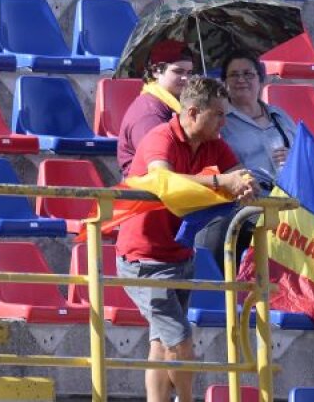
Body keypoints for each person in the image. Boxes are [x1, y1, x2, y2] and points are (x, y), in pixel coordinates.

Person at [117, 77, 258, 402]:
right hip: (145, 260)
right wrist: (222, 180)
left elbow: (239, 171)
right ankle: (187, 399)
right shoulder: (159, 138)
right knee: (180, 338)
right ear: (193, 112)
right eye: (219, 115)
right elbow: (164, 181)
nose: (225, 122)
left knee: (161, 342)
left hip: (180, 255)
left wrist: (247, 183)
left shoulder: (213, 142)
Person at [118, 40, 195, 176]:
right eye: (178, 71)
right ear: (155, 71)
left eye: (189, 72)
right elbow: (157, 168)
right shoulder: (150, 113)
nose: (186, 78)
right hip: (145, 192)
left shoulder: (174, 103)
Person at [219, 52, 295, 190]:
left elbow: (305, 155)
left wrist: (294, 158)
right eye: (234, 75)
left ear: (261, 80)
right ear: (224, 83)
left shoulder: (280, 115)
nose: (241, 80)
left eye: (248, 74)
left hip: (292, 193)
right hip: (251, 200)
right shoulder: (220, 121)